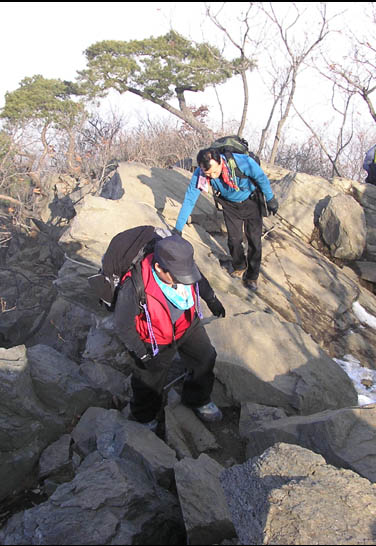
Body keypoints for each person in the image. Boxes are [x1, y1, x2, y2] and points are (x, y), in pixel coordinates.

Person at [114, 233, 227, 428]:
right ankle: (145, 417)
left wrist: (212, 300)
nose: (184, 281)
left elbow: (199, 279)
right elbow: (123, 326)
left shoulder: (181, 266)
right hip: (154, 339)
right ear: (158, 267)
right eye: (178, 278)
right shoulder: (134, 286)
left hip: (187, 324)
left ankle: (198, 398)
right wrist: (142, 354)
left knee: (206, 357)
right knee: (149, 381)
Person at [175, 147, 279, 292]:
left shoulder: (242, 162)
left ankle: (252, 276)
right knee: (234, 239)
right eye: (208, 174)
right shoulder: (201, 174)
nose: (213, 176)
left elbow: (261, 178)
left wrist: (271, 199)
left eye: (215, 172)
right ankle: (239, 266)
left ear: (220, 161)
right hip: (229, 205)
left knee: (254, 241)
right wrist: (178, 228)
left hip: (252, 202)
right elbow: (190, 199)